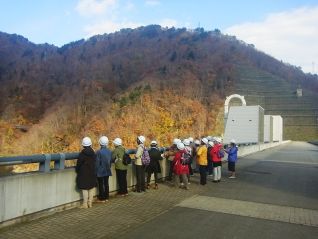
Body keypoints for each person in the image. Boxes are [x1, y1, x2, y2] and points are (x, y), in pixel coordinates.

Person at [76, 137, 96, 208]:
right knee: (91, 187)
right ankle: (90, 203)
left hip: (83, 172)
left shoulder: (82, 153)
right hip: (92, 171)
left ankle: (85, 204)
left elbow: (78, 164)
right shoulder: (93, 153)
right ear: (90, 144)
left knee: (84, 188)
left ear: (83, 145)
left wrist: (77, 170)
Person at [95, 136, 112, 202]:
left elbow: (97, 163)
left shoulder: (98, 152)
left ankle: (102, 198)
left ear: (100, 143)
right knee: (106, 183)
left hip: (100, 171)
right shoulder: (109, 151)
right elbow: (110, 161)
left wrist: (95, 171)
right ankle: (107, 197)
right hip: (107, 170)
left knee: (101, 184)